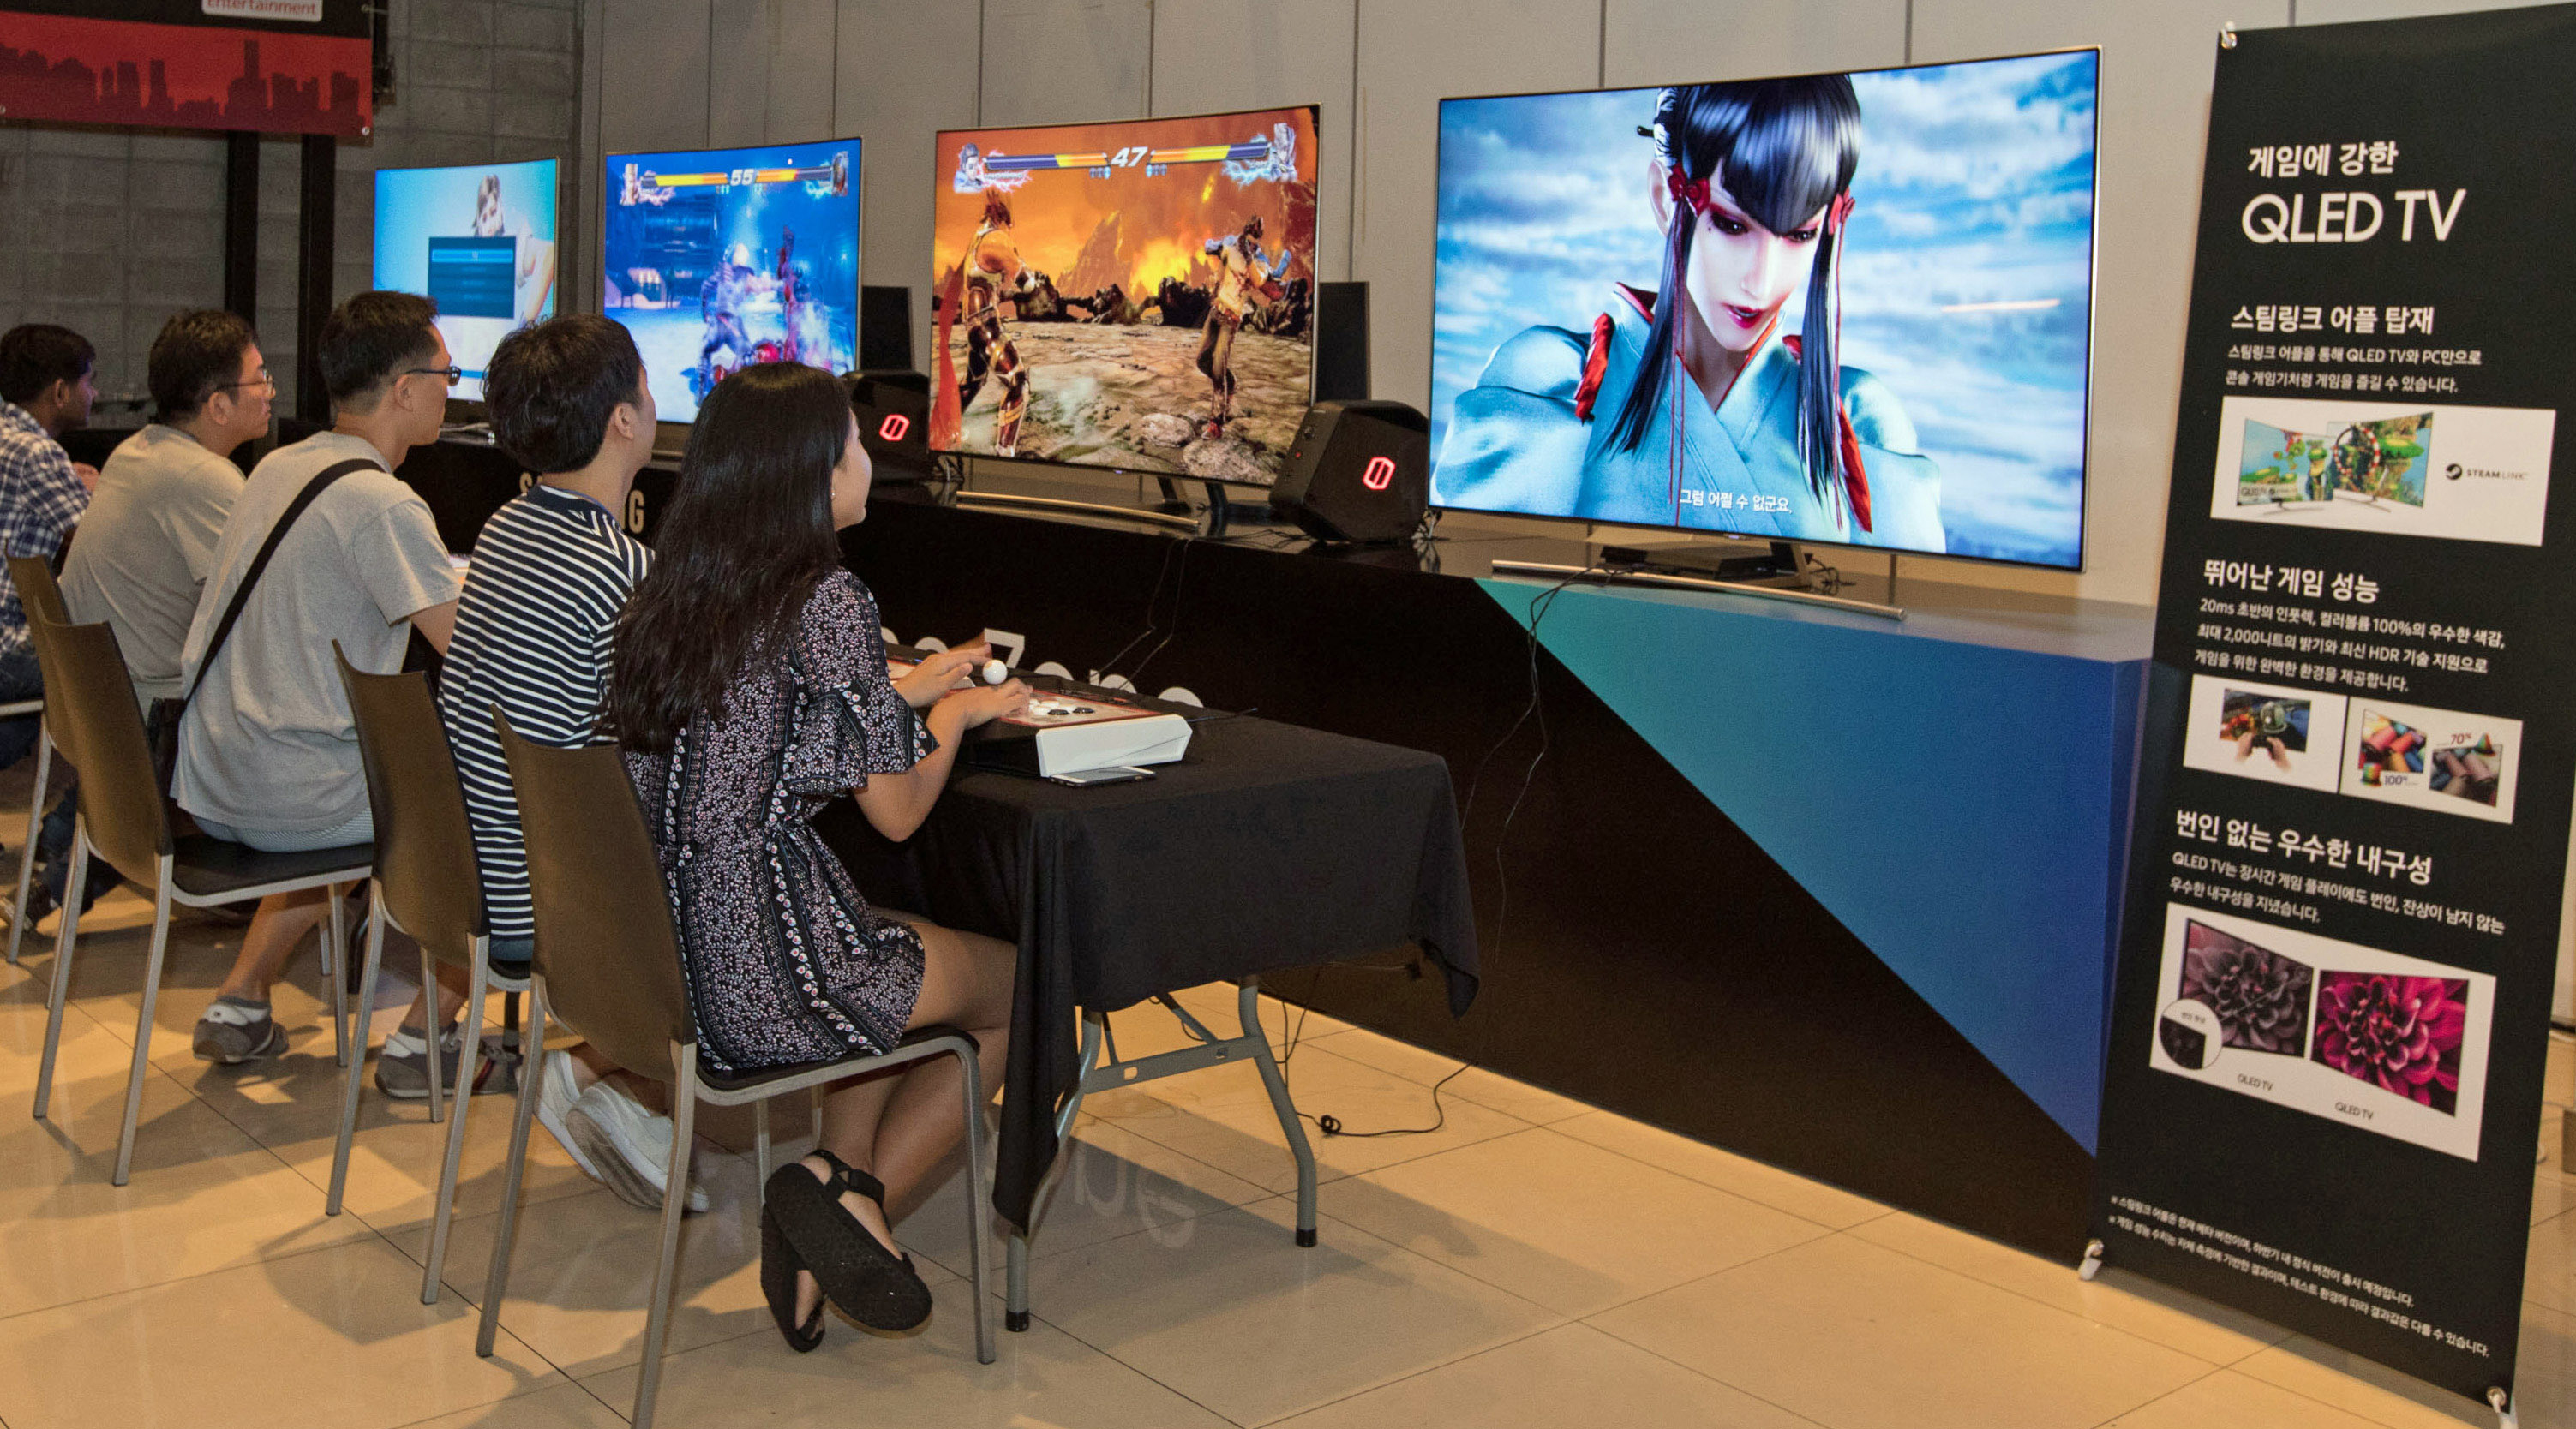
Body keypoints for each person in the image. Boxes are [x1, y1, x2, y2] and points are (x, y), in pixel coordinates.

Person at [609, 362, 1025, 1347]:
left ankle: (835, 1184)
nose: (870, 455)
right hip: (758, 972)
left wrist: (898, 695)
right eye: (855, 441)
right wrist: (958, 714)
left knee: (891, 947)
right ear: (810, 472)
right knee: (1022, 984)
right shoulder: (827, 596)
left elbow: (760, 738)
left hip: (659, 959)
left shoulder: (676, 587)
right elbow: (898, 813)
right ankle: (839, 1201)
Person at [175, 291, 484, 1083]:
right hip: (292, 793)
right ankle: (424, 1040)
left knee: (362, 784)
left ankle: (242, 998)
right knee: (495, 816)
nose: (452, 393)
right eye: (448, 376)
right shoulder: (382, 502)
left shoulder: (280, 465)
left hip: (216, 772)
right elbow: (473, 655)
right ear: (406, 389)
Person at [434, 314, 706, 1209]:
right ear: (625, 418)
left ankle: (614, 1082)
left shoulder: (505, 529)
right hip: (553, 899)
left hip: (479, 869)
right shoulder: (621, 570)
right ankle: (618, 1083)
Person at [1432, 78, 1944, 549]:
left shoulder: (1856, 419)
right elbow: (1481, 577)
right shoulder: (1555, 383)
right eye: (1732, 225)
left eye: (1799, 234)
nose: (1760, 282)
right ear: (1665, 198)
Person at [50, 312, 268, 921]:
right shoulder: (203, 478)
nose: (271, 392)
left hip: (103, 708)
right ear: (218, 405)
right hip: (156, 721)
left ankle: (60, 863)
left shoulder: (137, 450)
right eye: (260, 378)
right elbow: (265, 599)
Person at [0, 324, 97, 778]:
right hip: (9, 646)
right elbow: (93, 542)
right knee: (119, 671)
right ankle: (75, 820)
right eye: (89, 382)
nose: (94, 394)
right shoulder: (36, 452)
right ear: (60, 392)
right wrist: (101, 491)